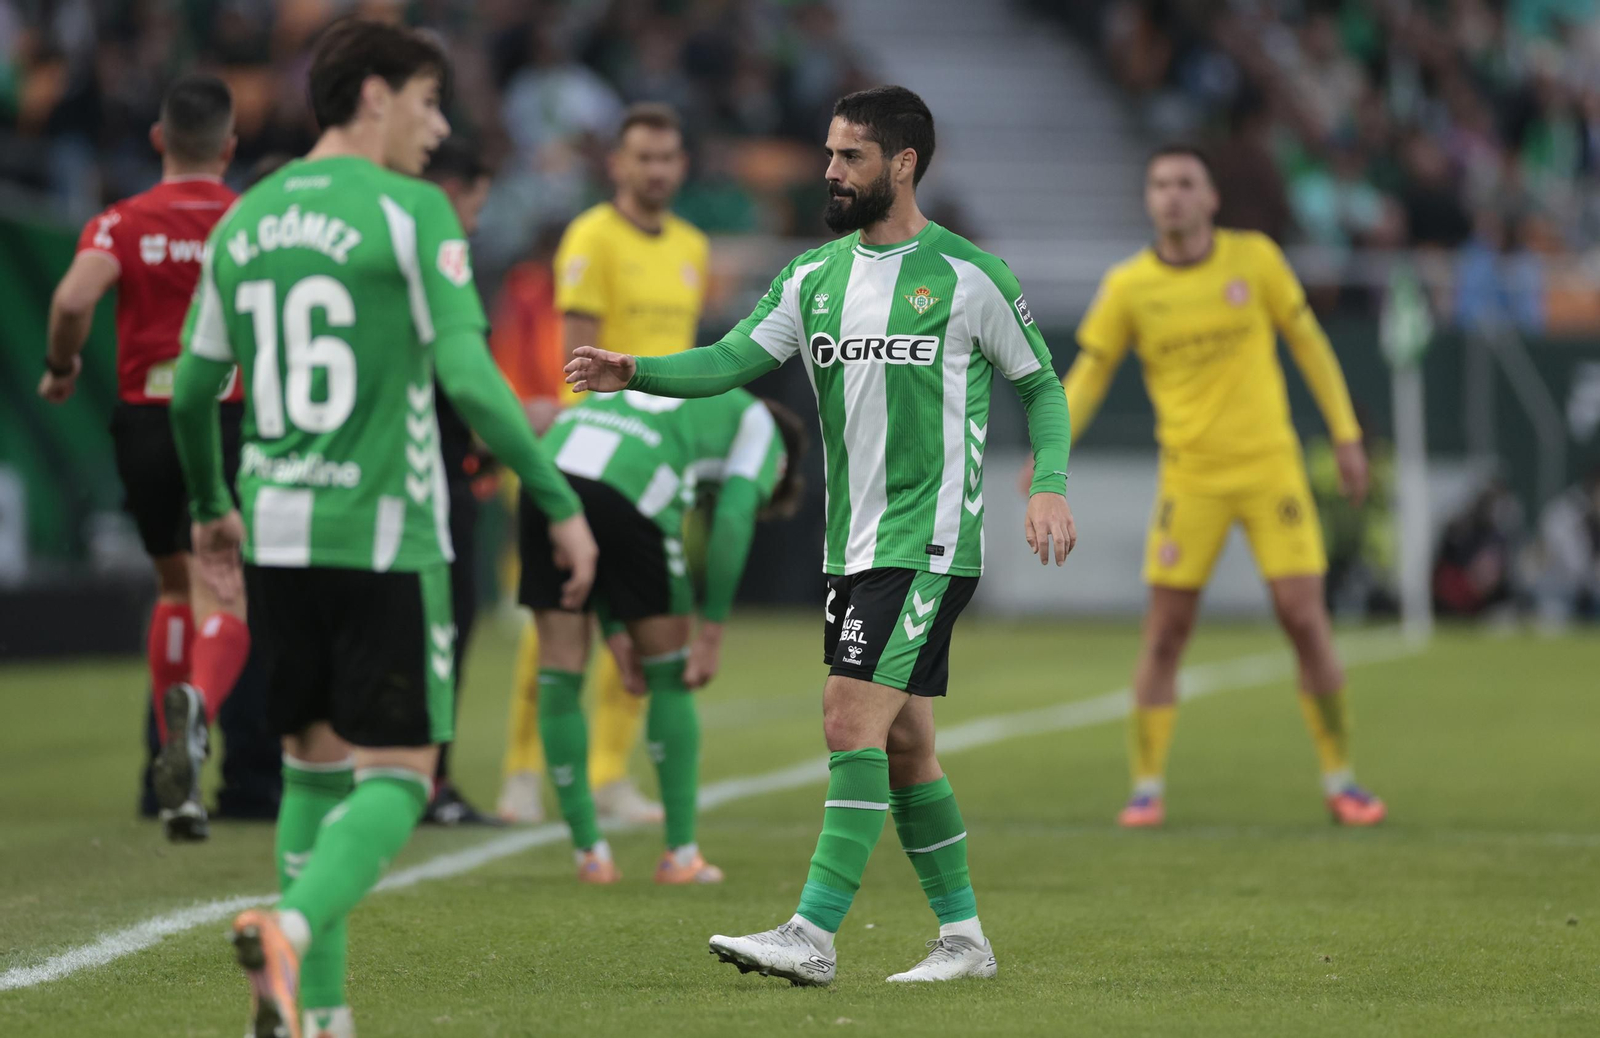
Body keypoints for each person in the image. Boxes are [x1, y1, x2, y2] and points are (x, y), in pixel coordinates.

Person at [566, 85, 1076, 986]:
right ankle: (965, 940)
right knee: (908, 743)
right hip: (854, 546)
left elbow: (1039, 384)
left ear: (903, 163)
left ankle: (814, 934)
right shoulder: (813, 277)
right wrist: (634, 370)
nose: (830, 171)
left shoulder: (969, 276)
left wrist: (1048, 484)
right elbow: (731, 359)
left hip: (927, 541)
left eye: (850, 157)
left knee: (849, 722)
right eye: (830, 153)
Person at [167, 20, 597, 1038]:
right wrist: (559, 498)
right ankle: (291, 926)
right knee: (403, 778)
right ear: (371, 97)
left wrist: (206, 508)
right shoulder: (412, 214)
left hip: (273, 529)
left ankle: (321, 1018)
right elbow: (470, 380)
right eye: (427, 101)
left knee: (313, 775)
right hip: (385, 532)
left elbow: (191, 392)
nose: (437, 124)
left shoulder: (244, 220)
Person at [1039, 145, 1385, 829]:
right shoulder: (1130, 285)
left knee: (1304, 618)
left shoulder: (1253, 259)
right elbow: (1089, 373)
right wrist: (1053, 452)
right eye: (1160, 183)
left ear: (1211, 198)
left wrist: (1345, 434)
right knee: (1166, 632)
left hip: (1269, 468)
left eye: (1186, 183)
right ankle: (1145, 788)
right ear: (1149, 199)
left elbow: (1310, 343)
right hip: (1190, 478)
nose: (1172, 195)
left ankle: (1342, 779)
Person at [39, 74, 251, 842]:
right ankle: (198, 719)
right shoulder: (247, 221)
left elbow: (69, 302)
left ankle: (167, 751)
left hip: (142, 423)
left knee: (172, 581)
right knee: (222, 590)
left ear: (160, 140)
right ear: (229, 148)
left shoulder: (120, 221)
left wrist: (63, 368)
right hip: (226, 418)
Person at [499, 102, 709, 828]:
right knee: (559, 617)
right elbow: (577, 362)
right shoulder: (591, 236)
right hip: (592, 455)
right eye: (643, 157)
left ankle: (609, 773)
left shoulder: (691, 246)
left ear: (682, 165)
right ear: (617, 165)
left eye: (668, 157)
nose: (656, 170)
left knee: (650, 616)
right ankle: (523, 773)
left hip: (660, 458)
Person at [524, 389, 808, 883]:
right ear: (782, 468)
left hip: (544, 477)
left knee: (560, 670)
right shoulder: (759, 425)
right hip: (633, 490)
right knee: (670, 675)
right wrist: (712, 630)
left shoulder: (680, 400)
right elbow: (735, 516)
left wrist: (615, 630)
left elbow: (594, 497)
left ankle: (590, 855)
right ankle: (679, 856)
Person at [418, 137, 500, 826]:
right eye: (474, 201)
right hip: (436, 477)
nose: (475, 219)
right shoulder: (441, 259)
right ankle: (428, 781)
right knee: (442, 632)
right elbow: (467, 381)